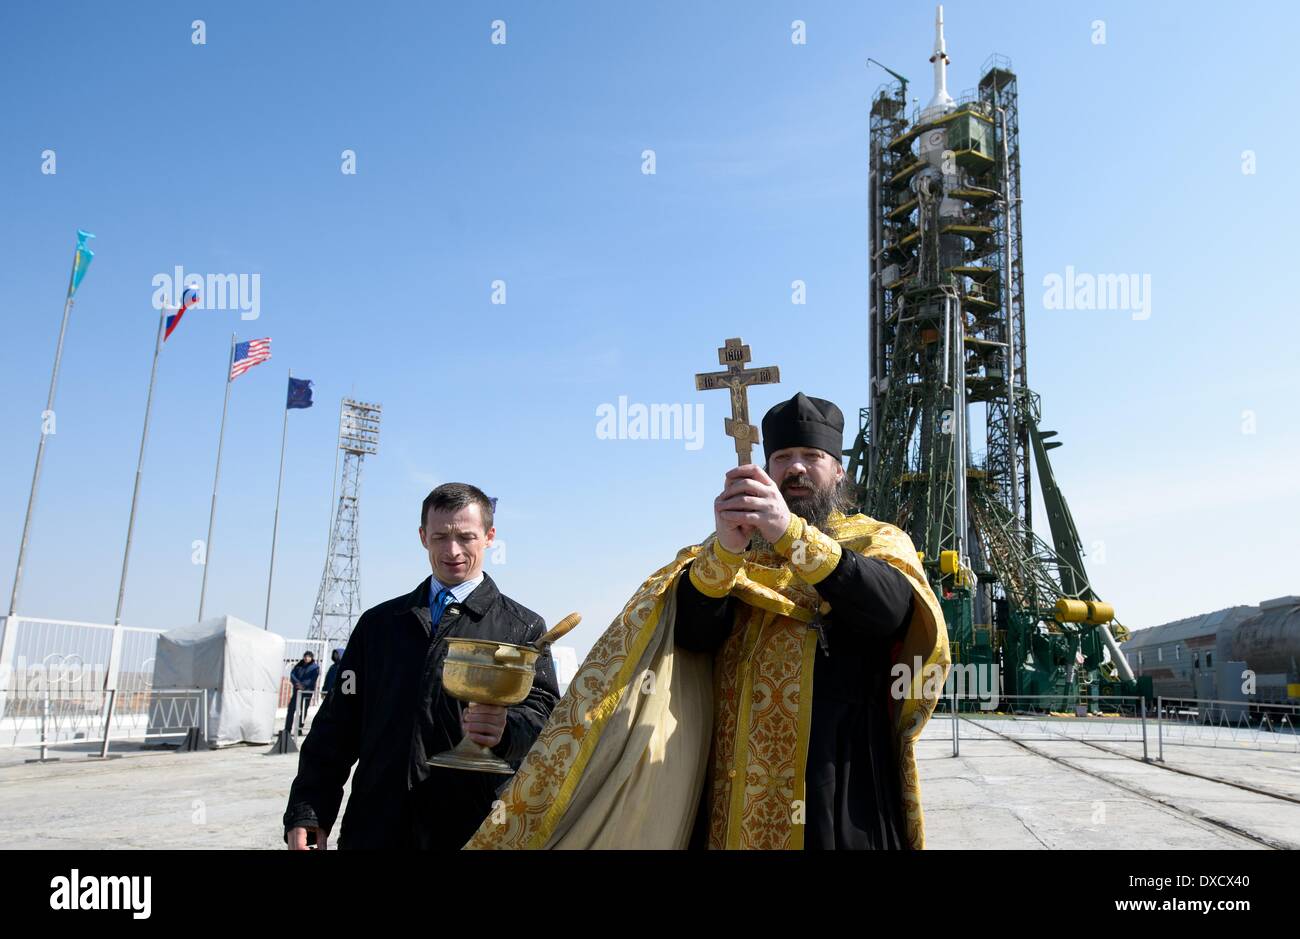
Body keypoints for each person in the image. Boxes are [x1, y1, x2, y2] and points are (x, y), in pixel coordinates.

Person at [464, 392, 950, 850]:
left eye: (811, 457)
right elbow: (694, 636)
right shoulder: (728, 545)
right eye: (782, 458)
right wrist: (727, 551)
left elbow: (887, 611)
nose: (795, 468)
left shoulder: (875, 539)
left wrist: (788, 533)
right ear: (767, 467)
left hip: (836, 782)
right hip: (729, 781)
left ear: (839, 472)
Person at [282, 482, 559, 850]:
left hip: (474, 830)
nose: (453, 550)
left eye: (466, 537)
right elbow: (336, 726)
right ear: (422, 536)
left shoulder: (522, 627)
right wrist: (310, 808)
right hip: (377, 827)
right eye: (440, 536)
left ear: (490, 537)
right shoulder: (379, 625)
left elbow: (546, 719)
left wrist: (507, 729)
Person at [287, 652, 320, 735]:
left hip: (306, 692)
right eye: (305, 656)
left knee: (303, 711)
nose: (306, 658)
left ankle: (299, 729)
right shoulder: (299, 665)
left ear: (312, 658)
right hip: (297, 691)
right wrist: (297, 684)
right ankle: (287, 729)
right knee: (291, 710)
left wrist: (304, 685)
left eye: (309, 657)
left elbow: (312, 679)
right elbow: (292, 675)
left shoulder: (315, 667)